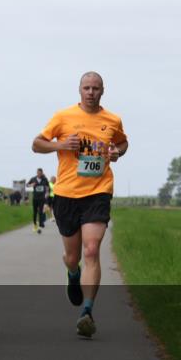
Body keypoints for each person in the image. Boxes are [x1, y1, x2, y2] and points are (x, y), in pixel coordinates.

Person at [32, 72, 128, 338]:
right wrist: (61, 144)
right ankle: (72, 274)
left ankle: (87, 311)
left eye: (95, 88)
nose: (90, 92)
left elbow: (122, 141)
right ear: (79, 90)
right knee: (73, 257)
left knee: (92, 249)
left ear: (102, 91)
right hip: (66, 194)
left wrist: (117, 152)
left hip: (98, 192)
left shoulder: (112, 119)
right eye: (86, 88)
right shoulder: (63, 117)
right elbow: (36, 144)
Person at [27, 168, 50, 233]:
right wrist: (31, 185)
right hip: (35, 198)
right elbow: (27, 185)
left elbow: (48, 187)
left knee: (41, 212)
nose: (39, 174)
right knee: (35, 212)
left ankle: (40, 226)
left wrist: (47, 192)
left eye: (40, 173)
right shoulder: (33, 179)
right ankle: (35, 225)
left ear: (42, 173)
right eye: (38, 173)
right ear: (37, 173)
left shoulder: (44, 179)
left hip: (42, 198)